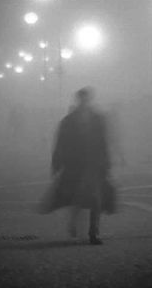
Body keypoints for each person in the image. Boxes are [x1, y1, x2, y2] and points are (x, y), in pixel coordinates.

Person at [40, 87, 114, 245]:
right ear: (79, 100)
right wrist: (57, 163)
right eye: (83, 99)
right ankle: (74, 223)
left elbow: (103, 142)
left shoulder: (96, 119)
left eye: (86, 99)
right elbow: (60, 143)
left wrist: (106, 162)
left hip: (93, 165)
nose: (84, 102)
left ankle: (93, 233)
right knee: (77, 197)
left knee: (95, 199)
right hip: (75, 165)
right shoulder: (69, 121)